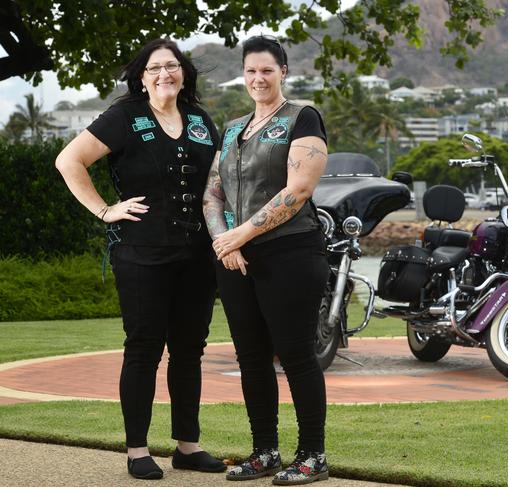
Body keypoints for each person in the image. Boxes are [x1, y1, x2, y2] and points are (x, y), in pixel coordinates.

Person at [55, 38, 226, 480]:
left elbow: (219, 183)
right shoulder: (124, 116)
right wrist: (105, 210)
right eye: (154, 68)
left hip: (196, 253)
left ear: (184, 73)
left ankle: (188, 446)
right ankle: (137, 451)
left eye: (172, 66)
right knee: (144, 348)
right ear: (141, 77)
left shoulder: (201, 120)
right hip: (142, 253)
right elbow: (69, 160)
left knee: (189, 350)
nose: (164, 73)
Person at [202, 35, 329, 485]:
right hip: (235, 259)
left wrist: (243, 233)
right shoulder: (233, 127)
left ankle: (312, 455)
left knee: (295, 355)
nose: (258, 78)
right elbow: (212, 193)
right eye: (251, 70)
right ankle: (264, 453)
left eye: (267, 71)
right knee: (251, 358)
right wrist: (226, 244)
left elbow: (298, 191)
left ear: (283, 73)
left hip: (290, 251)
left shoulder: (302, 118)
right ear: (243, 73)